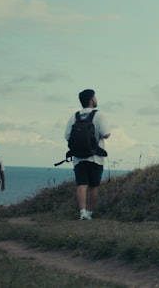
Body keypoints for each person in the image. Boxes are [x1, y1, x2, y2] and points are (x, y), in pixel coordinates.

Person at [64, 88, 111, 221]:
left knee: (81, 184)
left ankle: (82, 212)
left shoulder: (74, 116)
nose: (96, 99)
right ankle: (90, 213)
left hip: (79, 157)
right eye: (95, 97)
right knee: (93, 186)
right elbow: (106, 134)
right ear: (91, 100)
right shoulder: (99, 115)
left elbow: (67, 136)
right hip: (96, 157)